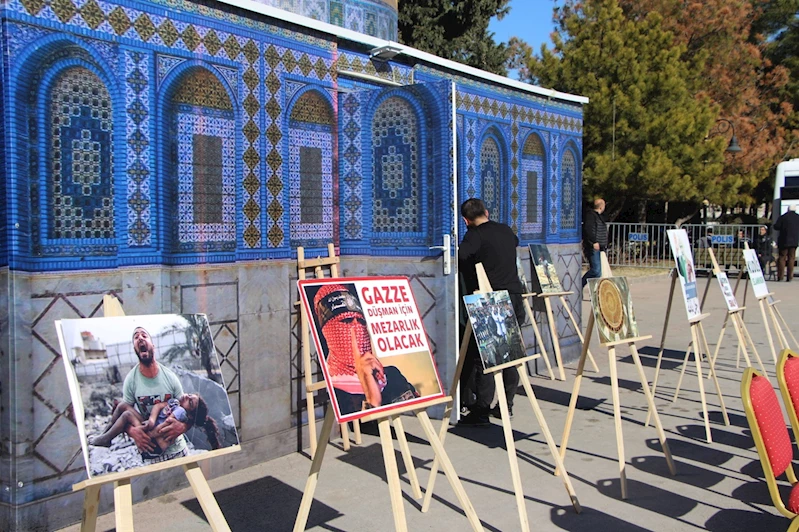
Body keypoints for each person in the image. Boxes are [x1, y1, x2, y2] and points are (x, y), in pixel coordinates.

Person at [458, 198, 525, 425]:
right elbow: (514, 243)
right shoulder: (506, 230)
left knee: (485, 358)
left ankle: (481, 409)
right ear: (486, 212)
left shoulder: (474, 235)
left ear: (466, 221)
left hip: (491, 301)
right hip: (515, 297)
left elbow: (462, 256)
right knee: (510, 355)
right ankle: (507, 406)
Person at [312, 284, 419, 415]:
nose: (357, 327)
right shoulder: (333, 388)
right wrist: (371, 395)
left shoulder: (391, 375)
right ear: (329, 331)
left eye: (361, 321)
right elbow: (367, 424)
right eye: (347, 320)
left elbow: (415, 409)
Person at [107, 327, 191, 462]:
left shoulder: (170, 377)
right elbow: (123, 416)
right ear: (135, 348)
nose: (140, 338)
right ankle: (106, 437)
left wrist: (183, 427)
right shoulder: (131, 380)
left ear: (153, 346)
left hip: (178, 451)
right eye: (136, 337)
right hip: (150, 452)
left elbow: (190, 411)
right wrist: (132, 431)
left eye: (144, 335)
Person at [90, 392, 220, 456]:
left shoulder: (180, 415)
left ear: (191, 414)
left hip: (153, 442)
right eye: (190, 395)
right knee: (123, 406)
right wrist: (151, 421)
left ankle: (106, 438)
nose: (187, 397)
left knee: (127, 415)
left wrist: (145, 432)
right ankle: (106, 433)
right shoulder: (176, 404)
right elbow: (158, 406)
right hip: (150, 427)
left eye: (190, 402)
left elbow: (162, 429)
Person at [582, 198, 608, 287]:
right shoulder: (591, 215)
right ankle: (580, 284)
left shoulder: (599, 216)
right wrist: (593, 242)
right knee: (596, 271)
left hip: (600, 246)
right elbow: (588, 229)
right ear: (601, 206)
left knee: (598, 272)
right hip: (594, 246)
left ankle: (595, 292)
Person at [774, 205, 799, 281]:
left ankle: (780, 276)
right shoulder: (798, 217)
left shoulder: (783, 217)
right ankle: (789, 277)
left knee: (782, 258)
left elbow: (776, 226)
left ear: (788, 209)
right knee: (791, 258)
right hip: (794, 241)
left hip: (783, 240)